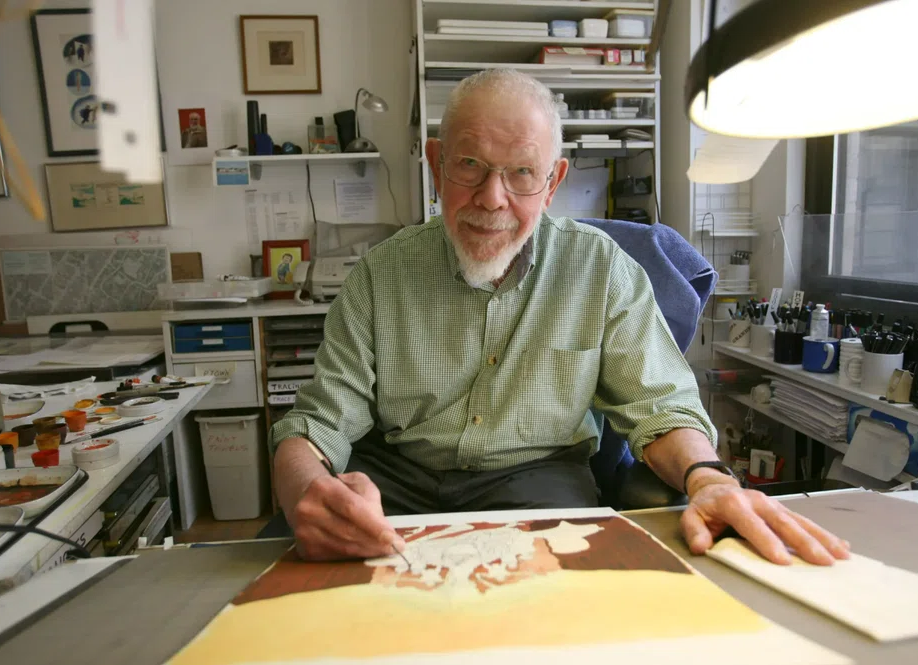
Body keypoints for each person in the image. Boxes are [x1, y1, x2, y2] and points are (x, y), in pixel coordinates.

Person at [272, 68, 850, 567]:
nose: (492, 198)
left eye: (522, 173)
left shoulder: (601, 271)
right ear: (435, 164)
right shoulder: (379, 275)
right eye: (469, 165)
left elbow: (661, 404)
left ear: (553, 182)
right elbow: (317, 424)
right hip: (394, 481)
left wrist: (709, 478)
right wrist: (309, 490)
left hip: (536, 481)